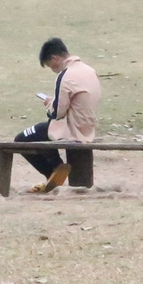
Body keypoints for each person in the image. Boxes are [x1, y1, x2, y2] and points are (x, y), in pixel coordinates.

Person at [13, 37, 100, 193]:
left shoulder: (66, 75)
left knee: (21, 139)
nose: (51, 68)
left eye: (49, 65)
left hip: (70, 129)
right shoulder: (89, 70)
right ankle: (56, 169)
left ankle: (53, 170)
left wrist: (48, 103)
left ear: (54, 58)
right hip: (87, 127)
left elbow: (57, 112)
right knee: (43, 131)